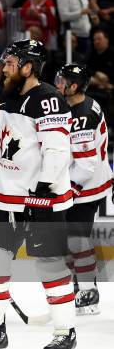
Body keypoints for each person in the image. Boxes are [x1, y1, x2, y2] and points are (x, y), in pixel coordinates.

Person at [0, 39, 77, 349]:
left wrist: (43, 188)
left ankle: (65, 334)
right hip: (7, 198)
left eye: (12, 63)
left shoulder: (48, 99)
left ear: (29, 67)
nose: (5, 69)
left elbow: (57, 148)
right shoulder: (8, 97)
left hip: (40, 200)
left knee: (49, 265)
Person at [55, 64, 112, 315]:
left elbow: (86, 165)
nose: (57, 84)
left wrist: (69, 190)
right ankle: (82, 286)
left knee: (77, 240)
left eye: (62, 80)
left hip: (86, 187)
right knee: (69, 240)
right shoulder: (81, 105)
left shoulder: (82, 115)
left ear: (74, 86)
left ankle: (88, 292)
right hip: (86, 183)